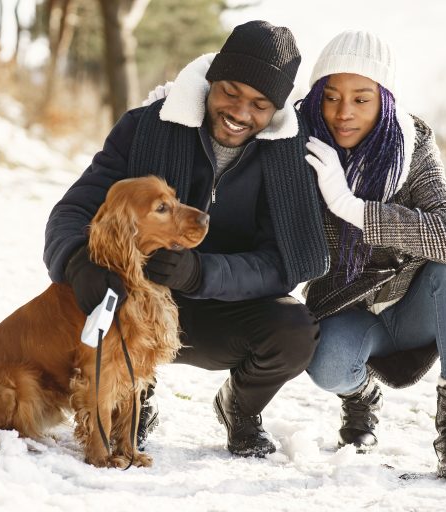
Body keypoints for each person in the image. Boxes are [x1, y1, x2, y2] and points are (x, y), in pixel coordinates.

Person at [44, 21, 330, 458]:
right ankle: (132, 399)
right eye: (230, 92)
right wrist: (77, 262)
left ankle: (241, 409)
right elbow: (75, 209)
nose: (239, 112)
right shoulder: (145, 126)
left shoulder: (289, 157)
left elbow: (282, 263)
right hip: (138, 301)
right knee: (102, 293)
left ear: (275, 109)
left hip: (219, 311)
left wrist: (202, 273)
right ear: (211, 81)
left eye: (259, 104)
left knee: (295, 331)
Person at [299, 30, 446, 483]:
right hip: (348, 308)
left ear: (385, 100)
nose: (344, 114)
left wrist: (354, 209)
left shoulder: (412, 143)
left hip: (415, 303)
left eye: (361, 99)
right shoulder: (297, 146)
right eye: (332, 97)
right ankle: (361, 399)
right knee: (327, 368)